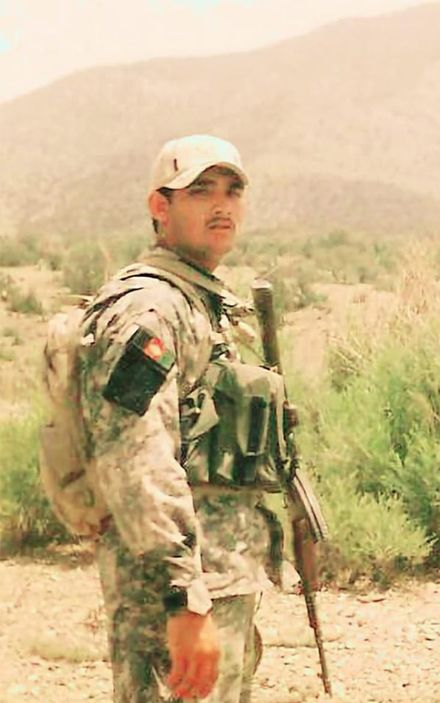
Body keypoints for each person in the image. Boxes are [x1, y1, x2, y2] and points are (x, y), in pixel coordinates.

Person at [80, 134, 282, 702]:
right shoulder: (149, 310)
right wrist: (183, 598)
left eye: (232, 191)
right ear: (160, 207)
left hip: (218, 579)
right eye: (200, 191)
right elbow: (135, 457)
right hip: (173, 593)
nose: (221, 205)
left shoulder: (200, 302)